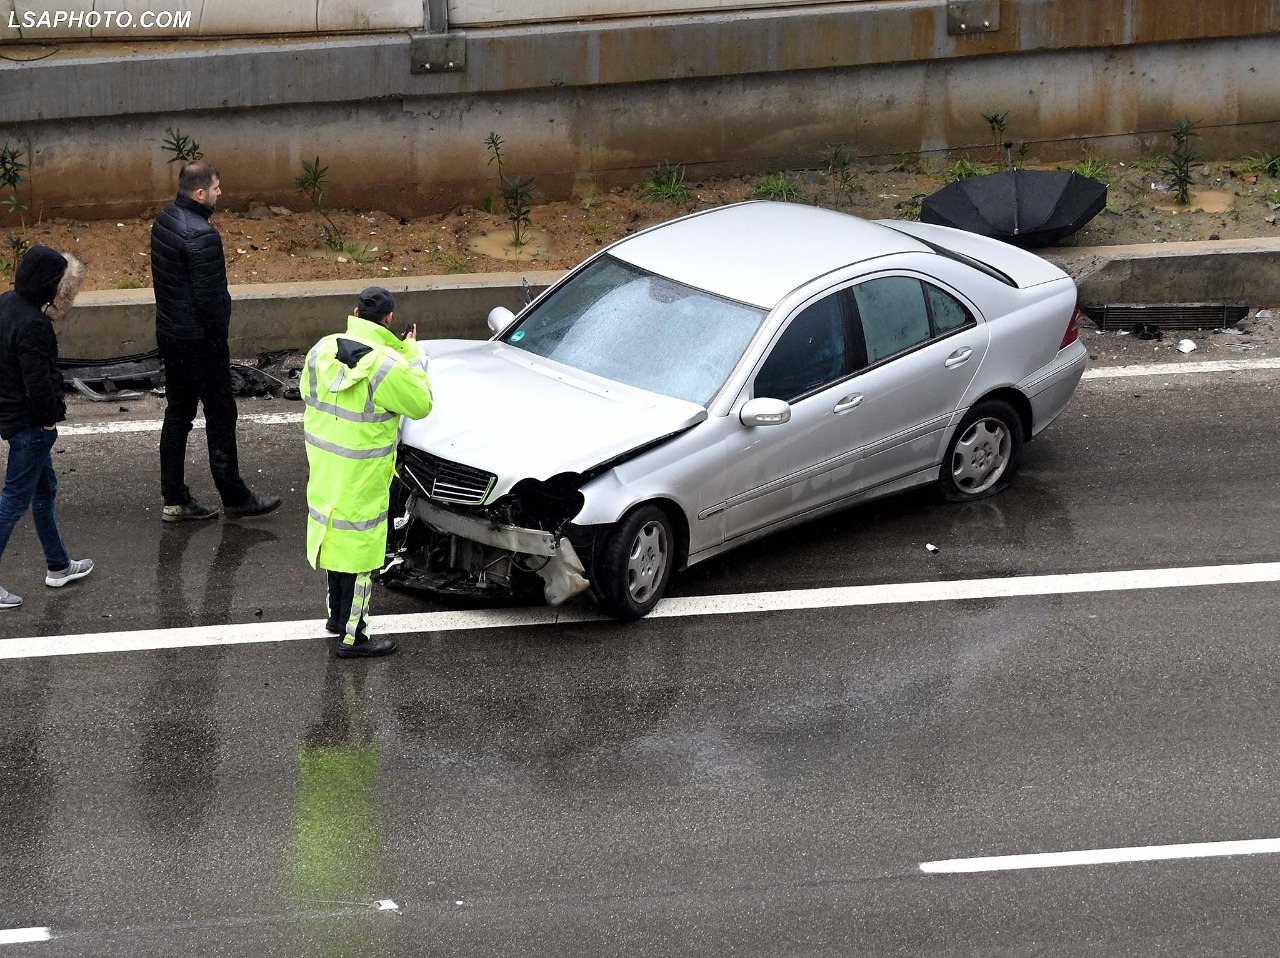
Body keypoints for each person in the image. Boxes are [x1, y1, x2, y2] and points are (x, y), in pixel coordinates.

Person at [301, 286, 432, 658]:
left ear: (355, 312)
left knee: (335, 536)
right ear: (389, 319)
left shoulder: (321, 350)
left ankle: (336, 617)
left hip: (326, 464)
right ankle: (353, 637)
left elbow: (307, 393)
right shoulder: (387, 365)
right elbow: (421, 403)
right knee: (360, 552)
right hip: (364, 474)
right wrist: (412, 353)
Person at [150, 160, 280, 522]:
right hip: (200, 342)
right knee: (221, 413)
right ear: (201, 192)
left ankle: (174, 498)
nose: (222, 194)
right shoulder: (202, 234)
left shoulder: (165, 220)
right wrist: (219, 337)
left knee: (178, 413)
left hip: (171, 334)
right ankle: (234, 495)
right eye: (218, 188)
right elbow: (210, 300)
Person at [0, 245, 94, 609]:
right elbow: (38, 383)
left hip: (11, 416)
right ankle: (57, 565)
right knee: (14, 499)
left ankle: (59, 564)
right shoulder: (35, 326)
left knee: (43, 490)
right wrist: (51, 417)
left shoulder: (7, 303)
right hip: (30, 425)